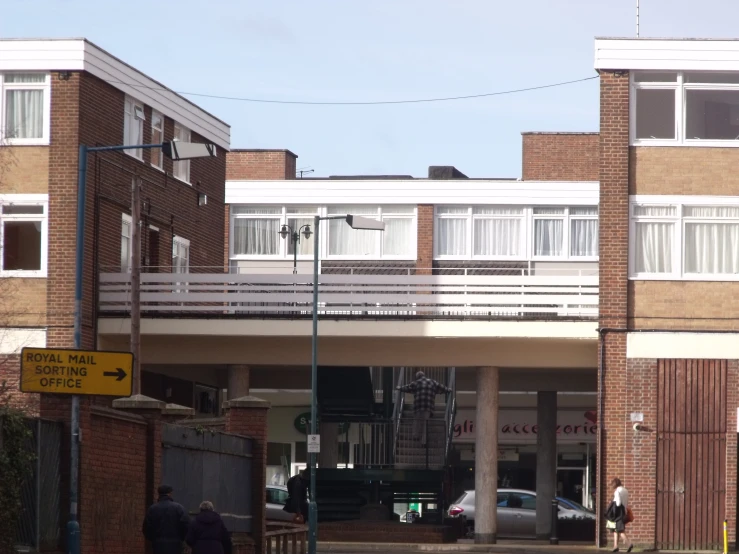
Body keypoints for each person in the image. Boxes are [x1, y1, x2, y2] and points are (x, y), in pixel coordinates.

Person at [397, 371, 450, 447]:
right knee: (425, 423)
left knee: (416, 420)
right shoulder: (432, 382)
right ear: (424, 375)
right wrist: (448, 389)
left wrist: (399, 388)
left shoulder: (416, 382)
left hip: (418, 405)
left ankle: (415, 435)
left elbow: (407, 387)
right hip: (428, 406)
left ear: (417, 377)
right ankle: (423, 441)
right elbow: (442, 387)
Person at [142, 484, 190, 554]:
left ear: (159, 494)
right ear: (170, 493)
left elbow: (146, 528)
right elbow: (186, 525)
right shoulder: (179, 508)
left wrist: (154, 539)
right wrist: (181, 538)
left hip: (158, 545)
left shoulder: (152, 509)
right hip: (175, 545)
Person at [605, 478, 633, 553]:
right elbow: (625, 503)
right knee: (616, 529)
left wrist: (612, 501)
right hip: (623, 512)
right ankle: (615, 546)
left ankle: (629, 543)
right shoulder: (625, 490)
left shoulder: (617, 491)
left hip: (617, 514)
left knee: (620, 530)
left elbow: (618, 503)